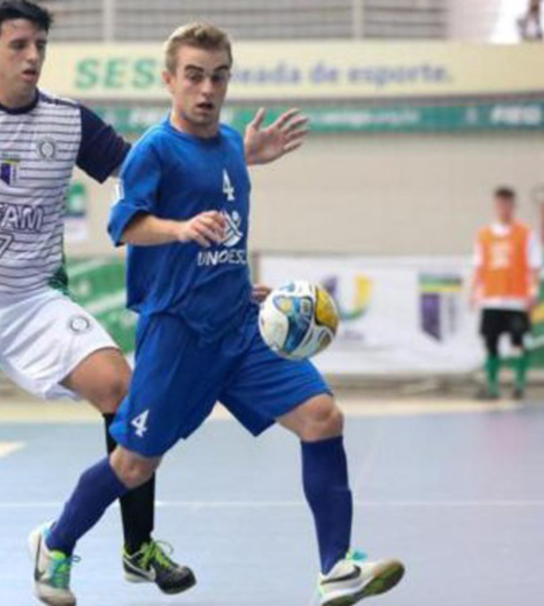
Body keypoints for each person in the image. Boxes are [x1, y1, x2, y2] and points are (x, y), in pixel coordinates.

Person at [0, 2, 299, 603]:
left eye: (40, 44)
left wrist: (235, 156)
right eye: (18, 45)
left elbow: (158, 171)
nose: (33, 56)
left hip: (36, 299)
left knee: (123, 389)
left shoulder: (70, 122)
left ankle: (137, 547)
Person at [29, 22, 405, 606]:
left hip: (238, 327)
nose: (207, 89)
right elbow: (123, 226)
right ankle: (54, 545)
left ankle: (336, 567)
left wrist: (239, 267)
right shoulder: (153, 150)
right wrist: (180, 228)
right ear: (170, 80)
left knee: (322, 417)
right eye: (194, 76)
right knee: (132, 465)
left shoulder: (230, 142)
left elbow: (222, 205)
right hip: (178, 336)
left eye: (218, 76)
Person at [471, 186, 543, 400]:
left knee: (518, 342)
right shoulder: (483, 235)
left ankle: (519, 384)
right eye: (500, 204)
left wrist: (533, 292)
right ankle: (492, 385)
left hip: (516, 300)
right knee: (490, 342)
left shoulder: (526, 234)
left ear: (514, 206)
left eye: (508, 204)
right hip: (492, 299)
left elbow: (535, 266)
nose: (504, 208)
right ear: (495, 206)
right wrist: (474, 293)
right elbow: (479, 266)